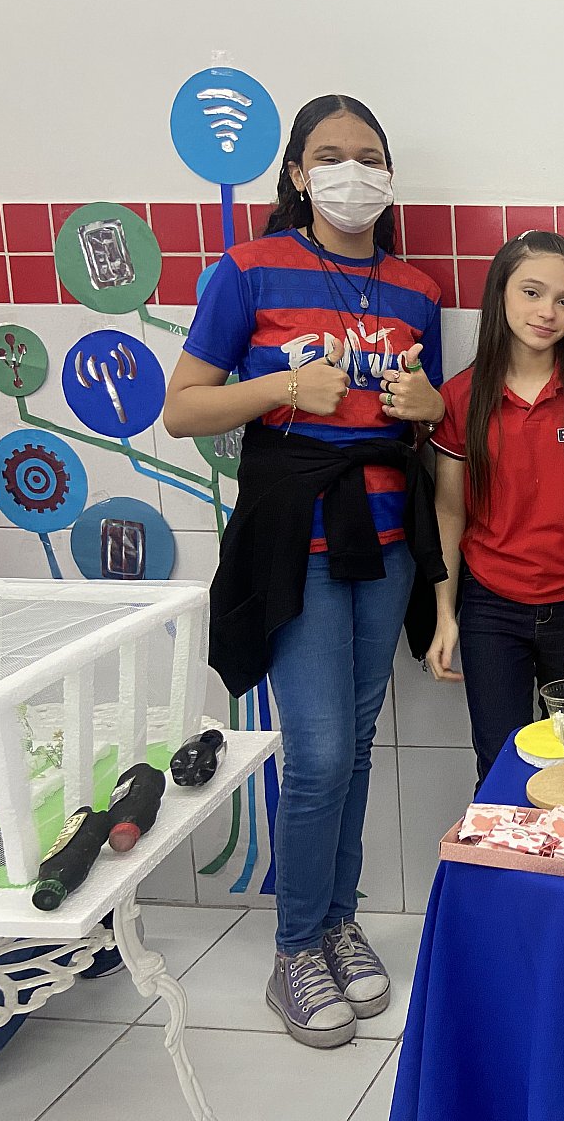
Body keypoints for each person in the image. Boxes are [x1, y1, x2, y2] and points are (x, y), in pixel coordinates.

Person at [163, 95, 446, 1050]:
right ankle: (294, 948)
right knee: (319, 754)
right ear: (296, 173)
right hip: (299, 545)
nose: (352, 173)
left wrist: (428, 405)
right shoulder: (246, 271)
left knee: (355, 747)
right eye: (330, 156)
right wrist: (287, 385)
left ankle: (337, 922)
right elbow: (183, 410)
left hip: (388, 543)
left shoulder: (414, 290)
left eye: (369, 156)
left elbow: (427, 424)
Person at [423, 232, 564, 785]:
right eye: (532, 292)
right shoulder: (461, 396)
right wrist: (445, 614)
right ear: (500, 293)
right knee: (501, 768)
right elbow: (449, 512)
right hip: (492, 607)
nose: (547, 312)